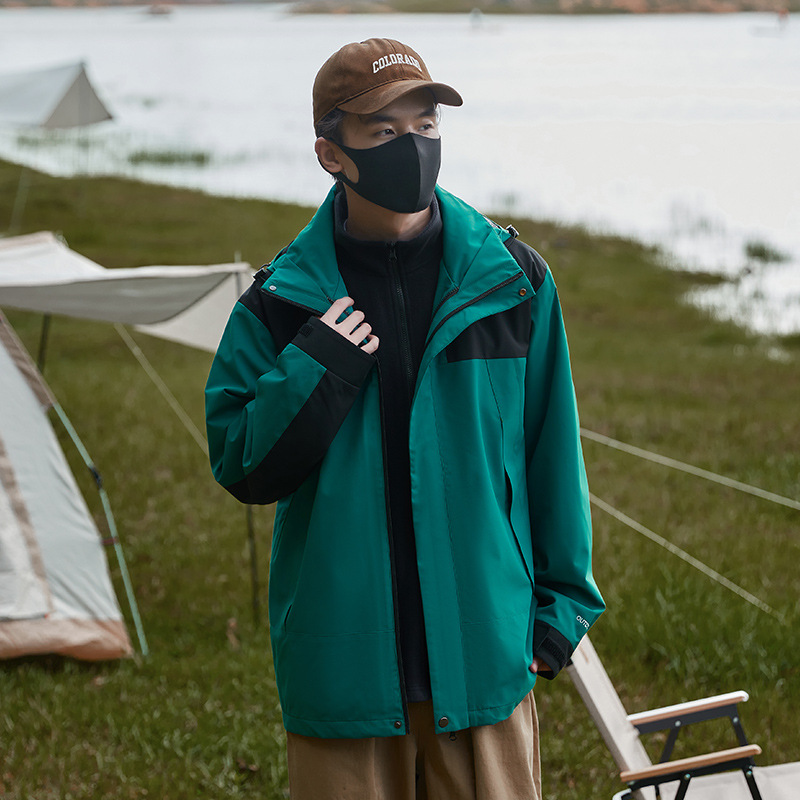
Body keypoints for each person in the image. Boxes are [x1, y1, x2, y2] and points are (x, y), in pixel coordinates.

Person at [205, 38, 604, 800]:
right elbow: (243, 466)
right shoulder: (281, 304)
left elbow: (553, 451)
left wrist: (561, 613)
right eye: (384, 133)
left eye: (425, 126)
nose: (413, 148)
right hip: (342, 674)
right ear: (331, 153)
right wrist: (318, 363)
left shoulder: (513, 283)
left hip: (485, 660)